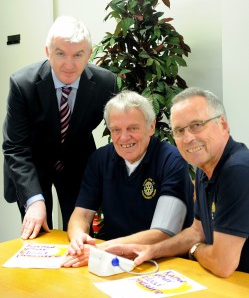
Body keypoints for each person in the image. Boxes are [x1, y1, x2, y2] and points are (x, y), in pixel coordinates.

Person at [105, 87, 249, 277]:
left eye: (197, 125)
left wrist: (194, 250)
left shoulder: (237, 170)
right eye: (179, 130)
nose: (188, 138)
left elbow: (222, 264)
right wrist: (150, 251)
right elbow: (197, 231)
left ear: (223, 124)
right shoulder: (204, 167)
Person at [2, 16, 118, 240]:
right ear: (47, 51)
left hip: (76, 163)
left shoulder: (106, 83)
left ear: (89, 54)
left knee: (80, 234)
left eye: (78, 55)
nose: (69, 64)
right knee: (38, 233)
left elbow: (119, 134)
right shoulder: (22, 84)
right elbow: (15, 147)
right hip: (32, 167)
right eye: (60, 53)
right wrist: (34, 201)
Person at [62, 90, 194, 268]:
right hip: (110, 260)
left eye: (133, 128)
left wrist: (102, 249)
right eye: (116, 130)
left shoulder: (172, 160)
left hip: (161, 261)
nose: (124, 138)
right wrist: (79, 238)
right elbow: (81, 215)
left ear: (151, 126)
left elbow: (163, 232)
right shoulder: (99, 159)